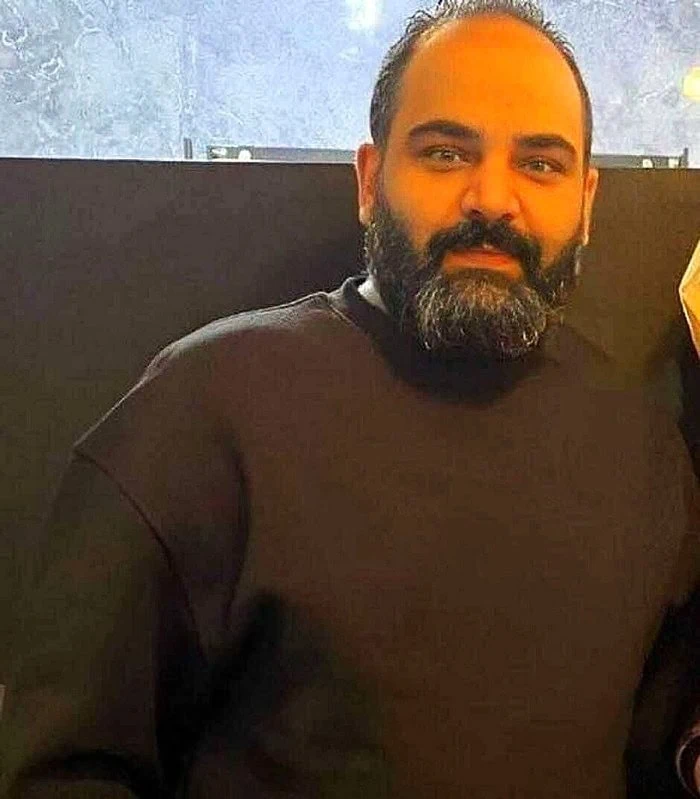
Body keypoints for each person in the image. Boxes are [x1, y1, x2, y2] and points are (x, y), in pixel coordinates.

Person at [2, 1, 699, 797]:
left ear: (587, 201)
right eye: (445, 153)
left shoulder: (641, 448)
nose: (492, 199)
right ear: (370, 181)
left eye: (540, 164)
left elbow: (665, 750)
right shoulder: (204, 415)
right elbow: (67, 768)